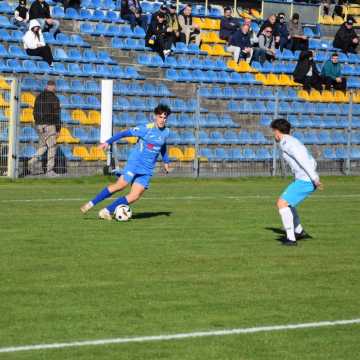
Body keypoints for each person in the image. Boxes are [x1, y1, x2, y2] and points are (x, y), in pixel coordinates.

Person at [80, 104, 171, 221]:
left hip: (147, 169)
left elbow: (162, 145)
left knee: (135, 196)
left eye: (165, 118)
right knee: (121, 185)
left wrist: (166, 160)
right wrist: (108, 142)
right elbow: (123, 133)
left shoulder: (166, 132)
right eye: (160, 117)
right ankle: (90, 204)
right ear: (155, 116)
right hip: (135, 163)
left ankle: (106, 211)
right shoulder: (145, 128)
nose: (162, 120)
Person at [270, 118, 322, 246]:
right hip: (304, 178)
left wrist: (314, 178)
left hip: (306, 180)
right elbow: (310, 160)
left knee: (281, 203)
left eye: (273, 131)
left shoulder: (287, 143)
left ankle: (291, 239)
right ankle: (299, 231)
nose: (273, 134)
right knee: (288, 204)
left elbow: (303, 159)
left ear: (277, 131)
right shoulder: (291, 141)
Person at [28, 80, 61, 177]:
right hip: (50, 125)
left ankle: (31, 162)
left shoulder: (38, 97)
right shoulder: (54, 98)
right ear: (53, 87)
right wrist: (58, 128)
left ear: (47, 86)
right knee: (52, 147)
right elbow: (56, 115)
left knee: (43, 146)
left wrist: (38, 123)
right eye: (55, 87)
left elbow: (34, 112)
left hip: (39, 125)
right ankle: (49, 171)